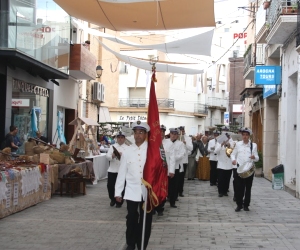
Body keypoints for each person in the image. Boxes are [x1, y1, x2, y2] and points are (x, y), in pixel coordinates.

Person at [115, 121, 151, 250]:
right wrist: (118, 192)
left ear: (146, 134)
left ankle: (142, 244)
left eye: (141, 132)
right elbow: (122, 172)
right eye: (136, 132)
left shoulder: (151, 150)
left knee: (146, 220)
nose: (138, 135)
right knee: (131, 217)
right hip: (131, 190)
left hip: (147, 191)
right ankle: (130, 243)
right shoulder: (128, 151)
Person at [231, 127, 259, 212]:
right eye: (243, 135)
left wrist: (254, 157)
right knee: (239, 188)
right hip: (239, 169)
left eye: (247, 135)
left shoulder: (253, 145)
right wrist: (233, 160)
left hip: (249, 169)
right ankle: (239, 205)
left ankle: (246, 205)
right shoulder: (238, 144)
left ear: (249, 136)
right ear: (242, 135)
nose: (245, 137)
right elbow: (233, 154)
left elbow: (257, 158)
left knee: (248, 188)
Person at [106, 131, 129, 208]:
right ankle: (112, 199)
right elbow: (107, 157)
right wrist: (112, 156)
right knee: (110, 186)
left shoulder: (128, 147)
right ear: (116, 138)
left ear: (124, 139)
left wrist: (122, 156)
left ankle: (119, 202)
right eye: (118, 137)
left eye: (122, 138)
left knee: (122, 185)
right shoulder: (112, 146)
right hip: (112, 169)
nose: (120, 139)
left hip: (122, 170)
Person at [165, 127, 185, 208]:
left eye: (175, 134)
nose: (173, 135)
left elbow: (181, 155)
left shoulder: (180, 144)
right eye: (172, 134)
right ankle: (165, 197)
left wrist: (171, 157)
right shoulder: (165, 142)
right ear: (170, 134)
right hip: (165, 167)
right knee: (166, 184)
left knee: (174, 185)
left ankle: (172, 201)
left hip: (175, 167)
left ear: (177, 135)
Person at [177, 126, 193, 197]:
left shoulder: (188, 138)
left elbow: (191, 148)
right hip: (176, 160)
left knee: (181, 177)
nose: (181, 132)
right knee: (176, 177)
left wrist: (185, 143)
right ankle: (175, 192)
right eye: (180, 131)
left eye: (182, 131)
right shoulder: (176, 137)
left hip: (184, 160)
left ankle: (180, 191)